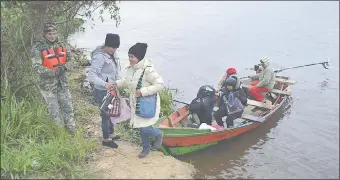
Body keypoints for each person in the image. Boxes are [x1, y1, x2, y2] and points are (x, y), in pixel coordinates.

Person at [114, 42, 165, 158]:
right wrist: (115, 84)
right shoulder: (131, 69)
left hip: (146, 103)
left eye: (132, 57)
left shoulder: (148, 70)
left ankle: (158, 134)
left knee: (144, 126)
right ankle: (146, 148)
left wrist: (142, 91)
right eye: (129, 56)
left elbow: (160, 84)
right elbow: (127, 81)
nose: (130, 59)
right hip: (135, 102)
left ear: (139, 57)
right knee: (140, 126)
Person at [30, 21, 76, 133]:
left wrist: (65, 67)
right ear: (44, 34)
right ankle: (60, 135)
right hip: (48, 87)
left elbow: (73, 60)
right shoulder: (38, 48)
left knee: (68, 109)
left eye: (54, 33)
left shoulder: (62, 44)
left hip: (63, 84)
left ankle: (72, 133)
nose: (52, 36)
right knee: (54, 113)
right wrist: (53, 72)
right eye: (49, 34)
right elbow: (36, 67)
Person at [87, 33, 121, 148]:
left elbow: (114, 71)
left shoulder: (111, 54)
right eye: (112, 47)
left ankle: (111, 133)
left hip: (111, 89)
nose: (114, 50)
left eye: (116, 48)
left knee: (110, 112)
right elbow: (91, 76)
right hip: (102, 90)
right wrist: (105, 84)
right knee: (105, 114)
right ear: (107, 45)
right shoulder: (99, 57)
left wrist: (117, 82)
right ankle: (106, 139)